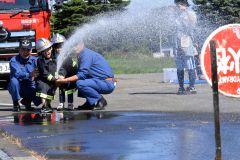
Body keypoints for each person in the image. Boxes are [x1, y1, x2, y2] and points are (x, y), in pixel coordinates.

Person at [56, 42, 116, 110]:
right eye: (73, 46)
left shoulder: (85, 55)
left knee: (80, 83)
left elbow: (82, 74)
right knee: (80, 80)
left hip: (107, 83)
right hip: (103, 81)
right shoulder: (81, 54)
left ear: (82, 44)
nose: (74, 48)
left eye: (76, 45)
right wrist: (62, 75)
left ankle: (100, 100)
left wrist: (64, 80)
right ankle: (90, 102)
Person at [8, 39, 41, 112]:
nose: (25, 52)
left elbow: (41, 72)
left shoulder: (35, 60)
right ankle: (16, 103)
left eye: (28, 50)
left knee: (42, 90)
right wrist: (30, 74)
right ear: (19, 50)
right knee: (14, 81)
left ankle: (27, 101)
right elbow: (17, 74)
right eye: (23, 49)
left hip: (29, 86)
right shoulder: (14, 60)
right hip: (18, 87)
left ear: (31, 50)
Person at [174, 0, 197, 95]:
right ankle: (181, 87)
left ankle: (192, 87)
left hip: (187, 42)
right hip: (177, 43)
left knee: (190, 65)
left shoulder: (190, 13)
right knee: (179, 67)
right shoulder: (176, 15)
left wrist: (195, 41)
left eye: (179, 5)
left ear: (184, 5)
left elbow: (192, 27)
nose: (177, 6)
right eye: (177, 5)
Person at [52, 33, 77, 110]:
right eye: (56, 47)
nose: (58, 49)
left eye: (60, 47)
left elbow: (74, 63)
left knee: (70, 90)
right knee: (61, 88)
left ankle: (70, 103)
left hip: (69, 75)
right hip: (60, 75)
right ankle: (61, 103)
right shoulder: (54, 55)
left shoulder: (70, 54)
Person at [35, 38, 57, 113]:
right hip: (43, 80)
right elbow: (44, 73)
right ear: (41, 52)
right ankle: (44, 106)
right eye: (45, 50)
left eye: (49, 49)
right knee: (43, 89)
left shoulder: (54, 58)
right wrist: (53, 79)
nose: (48, 52)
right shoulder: (40, 60)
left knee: (51, 92)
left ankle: (48, 105)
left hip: (52, 80)